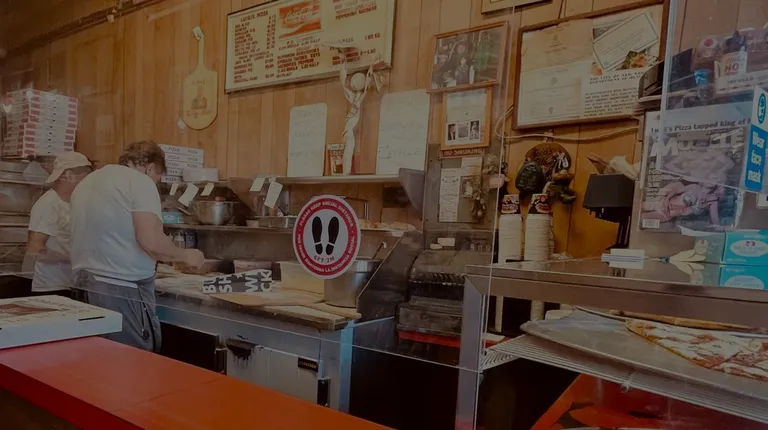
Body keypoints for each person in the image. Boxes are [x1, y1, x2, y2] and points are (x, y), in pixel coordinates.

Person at [70, 141, 204, 352]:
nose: (155, 183)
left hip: (84, 284)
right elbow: (151, 242)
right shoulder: (139, 181)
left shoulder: (87, 182)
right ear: (150, 167)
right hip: (121, 289)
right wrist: (186, 255)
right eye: (157, 178)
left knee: (97, 358)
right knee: (130, 360)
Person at [25, 152, 92, 296]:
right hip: (51, 287)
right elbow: (36, 250)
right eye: (85, 175)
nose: (88, 180)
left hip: (72, 284)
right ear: (69, 175)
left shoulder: (76, 203)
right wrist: (74, 258)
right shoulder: (48, 204)